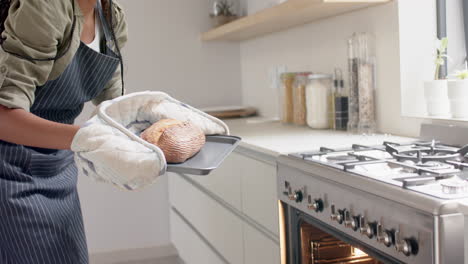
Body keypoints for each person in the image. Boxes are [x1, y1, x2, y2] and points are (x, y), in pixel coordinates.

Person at [0, 0, 128, 262]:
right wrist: (86, 139)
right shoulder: (45, 7)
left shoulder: (110, 17)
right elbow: (4, 117)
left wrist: (151, 130)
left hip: (58, 167)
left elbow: (115, 110)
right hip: (8, 170)